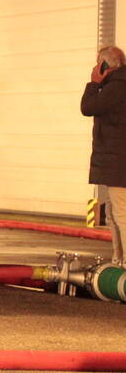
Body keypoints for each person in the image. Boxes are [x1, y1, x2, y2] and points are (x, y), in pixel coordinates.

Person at [81, 46, 126, 265]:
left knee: (121, 214)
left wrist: (93, 82)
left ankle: (124, 262)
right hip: (117, 163)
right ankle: (119, 259)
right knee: (114, 214)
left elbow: (87, 107)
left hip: (117, 164)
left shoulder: (116, 87)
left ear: (104, 66)